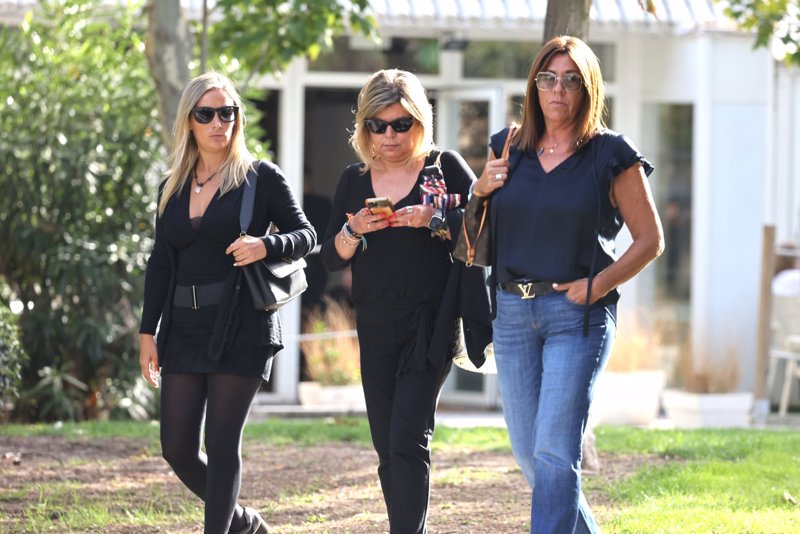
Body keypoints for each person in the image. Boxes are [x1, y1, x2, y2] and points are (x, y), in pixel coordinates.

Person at [472, 36, 664, 533]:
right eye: (548, 79)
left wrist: (598, 285)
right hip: (512, 314)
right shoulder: (507, 145)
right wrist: (480, 187)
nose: (557, 90)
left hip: (575, 316)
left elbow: (651, 240)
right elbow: (477, 226)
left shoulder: (611, 153)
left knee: (556, 450)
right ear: (534, 85)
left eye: (571, 81)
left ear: (588, 89)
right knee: (530, 453)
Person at [138, 72, 316, 534]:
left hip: (242, 325)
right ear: (189, 121)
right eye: (206, 114)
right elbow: (160, 263)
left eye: (227, 112)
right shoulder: (172, 186)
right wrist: (147, 331)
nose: (219, 122)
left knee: (221, 444)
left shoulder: (260, 178)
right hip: (183, 327)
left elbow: (306, 235)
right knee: (176, 447)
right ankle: (242, 522)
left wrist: (265, 245)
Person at [320, 69, 486, 534]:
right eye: (378, 125)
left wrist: (434, 218)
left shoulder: (444, 167)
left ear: (420, 122)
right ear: (365, 127)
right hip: (374, 325)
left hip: (430, 324)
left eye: (401, 124)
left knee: (408, 439)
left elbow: (485, 227)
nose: (389, 135)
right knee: (386, 447)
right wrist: (354, 230)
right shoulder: (353, 180)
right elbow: (329, 257)